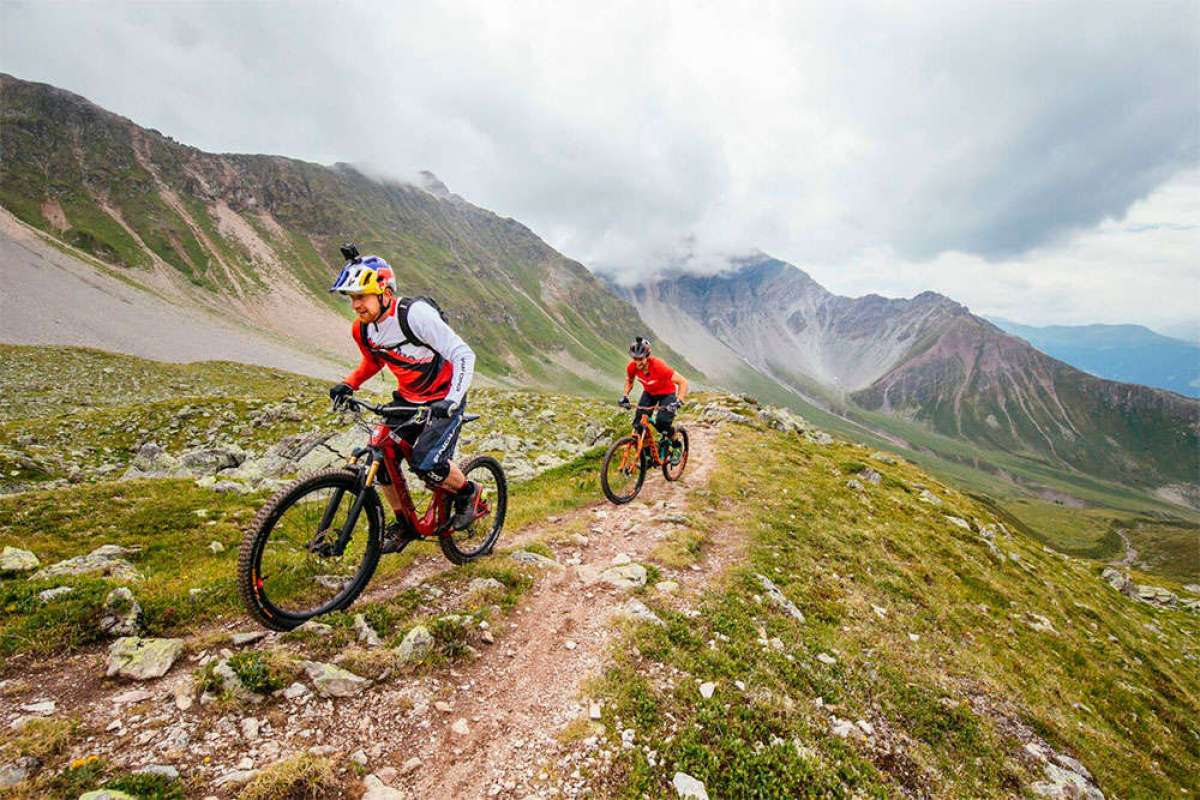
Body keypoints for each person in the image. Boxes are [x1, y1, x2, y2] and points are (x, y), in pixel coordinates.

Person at [326, 249, 481, 546]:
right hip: (408, 399)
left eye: (362, 296)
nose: (356, 304)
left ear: (384, 292)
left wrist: (452, 400)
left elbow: (463, 354)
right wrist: (350, 384)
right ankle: (405, 524)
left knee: (426, 463)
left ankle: (468, 492)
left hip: (443, 399)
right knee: (380, 453)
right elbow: (374, 361)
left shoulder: (415, 316)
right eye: (352, 298)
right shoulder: (363, 329)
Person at [620, 336, 687, 462]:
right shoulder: (632, 367)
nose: (637, 362)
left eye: (640, 359)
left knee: (662, 423)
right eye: (635, 358)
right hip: (649, 393)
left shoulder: (659, 366)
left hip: (667, 393)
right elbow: (629, 381)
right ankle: (647, 455)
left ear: (647, 356)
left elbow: (682, 382)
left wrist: (679, 401)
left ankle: (677, 446)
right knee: (638, 424)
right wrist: (625, 396)